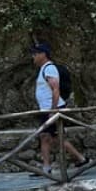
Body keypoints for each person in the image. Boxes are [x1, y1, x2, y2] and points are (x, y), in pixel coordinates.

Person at [30, 41, 88, 174]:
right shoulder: (43, 69)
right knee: (49, 137)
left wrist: (54, 110)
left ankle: (49, 167)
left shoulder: (49, 68)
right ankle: (77, 160)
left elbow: (55, 89)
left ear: (43, 54)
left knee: (50, 137)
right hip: (47, 110)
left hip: (51, 110)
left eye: (35, 54)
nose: (33, 56)